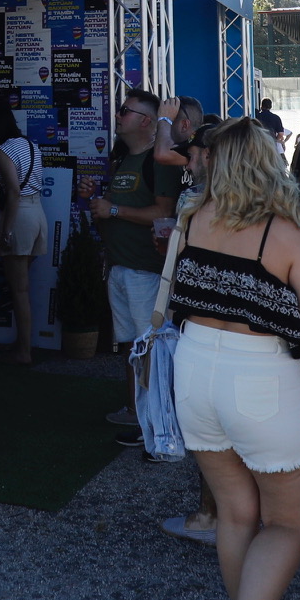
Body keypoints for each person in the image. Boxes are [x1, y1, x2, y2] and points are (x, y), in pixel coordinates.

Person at [168, 118, 300, 600]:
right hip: (260, 377)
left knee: (235, 513)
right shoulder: (286, 236)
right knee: (287, 524)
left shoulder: (193, 218)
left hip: (192, 369)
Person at [91, 88, 183, 446]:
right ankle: (137, 414)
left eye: (125, 110)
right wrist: (100, 206)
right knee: (134, 348)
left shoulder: (156, 161)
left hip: (145, 270)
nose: (118, 115)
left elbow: (163, 213)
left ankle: (159, 427)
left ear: (146, 121)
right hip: (121, 267)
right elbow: (116, 211)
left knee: (150, 350)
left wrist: (113, 210)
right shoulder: (124, 160)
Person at [0, 100, 42, 366]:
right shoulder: (31, 145)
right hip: (37, 214)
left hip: (19, 215)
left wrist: (6, 230)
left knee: (19, 290)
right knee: (21, 287)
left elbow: (14, 192)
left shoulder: (4, 149)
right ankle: (22, 344)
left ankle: (24, 351)